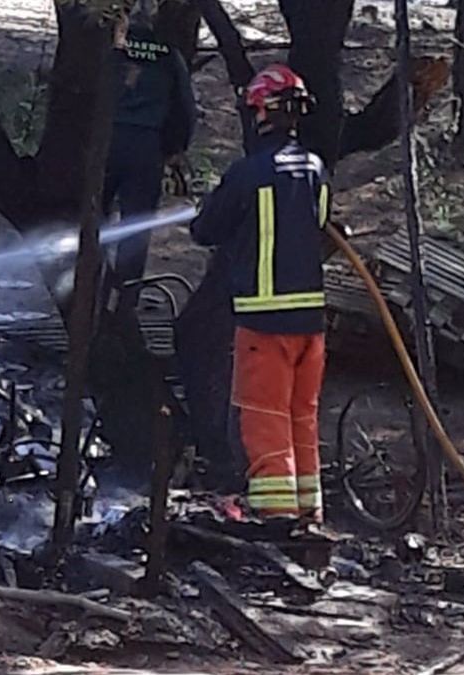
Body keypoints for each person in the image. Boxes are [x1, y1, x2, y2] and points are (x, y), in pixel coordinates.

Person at [189, 64, 333, 526]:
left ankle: (276, 516)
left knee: (264, 418)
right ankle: (309, 509)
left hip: (264, 322)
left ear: (260, 115)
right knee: (302, 418)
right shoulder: (315, 169)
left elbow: (206, 230)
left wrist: (205, 209)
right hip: (312, 323)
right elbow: (323, 230)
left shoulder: (249, 172)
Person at [104, 0, 197, 295]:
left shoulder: (107, 48)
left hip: (104, 143)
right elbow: (185, 110)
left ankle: (91, 289)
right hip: (147, 147)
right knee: (136, 226)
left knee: (95, 218)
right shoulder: (168, 55)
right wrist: (174, 149)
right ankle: (126, 299)